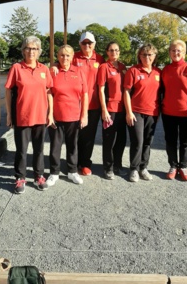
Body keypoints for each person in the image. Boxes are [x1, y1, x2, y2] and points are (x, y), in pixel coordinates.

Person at [5, 35, 53, 194]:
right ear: (23, 50)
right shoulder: (17, 68)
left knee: (39, 149)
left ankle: (39, 176)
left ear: (39, 51)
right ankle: (20, 178)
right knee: (21, 150)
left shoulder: (44, 69)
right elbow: (8, 91)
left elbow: (49, 92)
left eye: (34, 48)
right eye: (28, 48)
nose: (31, 51)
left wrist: (50, 114)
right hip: (22, 116)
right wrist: (9, 114)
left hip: (40, 115)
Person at [41, 45, 88, 190]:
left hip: (74, 116)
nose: (64, 58)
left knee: (73, 146)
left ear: (73, 56)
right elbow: (48, 92)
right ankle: (54, 172)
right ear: (58, 56)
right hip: (56, 117)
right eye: (61, 55)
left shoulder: (79, 71)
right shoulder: (53, 72)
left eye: (67, 55)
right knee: (55, 146)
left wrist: (84, 115)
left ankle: (72, 171)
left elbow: (84, 94)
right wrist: (50, 114)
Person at [161, 39, 187, 181]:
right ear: (169, 53)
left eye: (179, 50)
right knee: (170, 141)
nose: (176, 53)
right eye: (173, 50)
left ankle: (183, 166)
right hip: (169, 112)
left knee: (186, 141)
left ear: (184, 53)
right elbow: (161, 90)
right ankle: (173, 166)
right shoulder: (166, 70)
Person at [123, 44, 161, 183]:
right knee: (137, 141)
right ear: (139, 56)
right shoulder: (133, 71)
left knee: (147, 142)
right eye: (144, 54)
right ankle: (133, 169)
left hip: (152, 112)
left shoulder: (158, 72)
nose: (147, 57)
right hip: (136, 112)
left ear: (155, 56)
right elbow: (126, 92)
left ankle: (143, 167)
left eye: (150, 54)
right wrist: (129, 112)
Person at [74, 32, 105, 175]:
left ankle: (85, 163)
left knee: (89, 136)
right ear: (80, 44)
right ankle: (73, 163)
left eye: (90, 43)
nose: (87, 45)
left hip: (93, 104)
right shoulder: (73, 57)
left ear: (94, 44)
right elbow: (62, 65)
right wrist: (54, 65)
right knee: (75, 135)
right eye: (84, 43)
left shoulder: (100, 59)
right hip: (75, 104)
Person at [97, 41, 127, 180]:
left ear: (119, 52)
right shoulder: (104, 67)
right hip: (110, 109)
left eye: (116, 50)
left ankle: (117, 165)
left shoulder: (122, 67)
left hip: (123, 109)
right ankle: (108, 167)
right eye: (111, 50)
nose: (114, 53)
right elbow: (101, 89)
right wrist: (104, 110)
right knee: (109, 140)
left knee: (121, 139)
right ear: (107, 52)